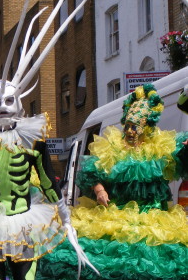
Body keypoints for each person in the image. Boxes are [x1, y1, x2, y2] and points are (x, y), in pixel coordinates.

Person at [37, 84, 188, 279]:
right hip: (116, 217)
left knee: (154, 264)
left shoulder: (161, 148)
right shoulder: (113, 148)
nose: (130, 131)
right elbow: (92, 171)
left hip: (154, 219)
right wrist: (100, 190)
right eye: (127, 125)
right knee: (109, 263)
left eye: (135, 127)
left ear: (146, 128)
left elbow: (181, 160)